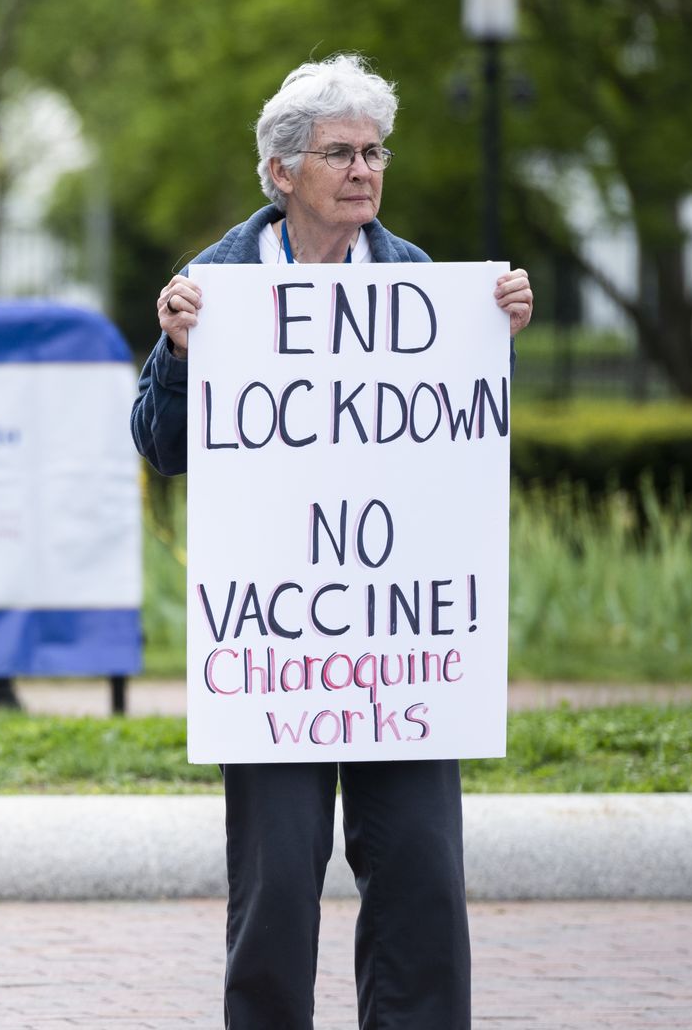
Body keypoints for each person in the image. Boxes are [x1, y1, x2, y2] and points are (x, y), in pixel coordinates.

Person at [129, 54, 534, 1028]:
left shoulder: (421, 289)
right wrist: (181, 357)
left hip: (398, 645)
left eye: (375, 151)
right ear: (280, 172)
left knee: (423, 873)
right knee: (274, 887)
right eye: (341, 152)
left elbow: (451, 445)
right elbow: (159, 445)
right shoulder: (214, 287)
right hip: (281, 647)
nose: (364, 170)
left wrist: (493, 337)